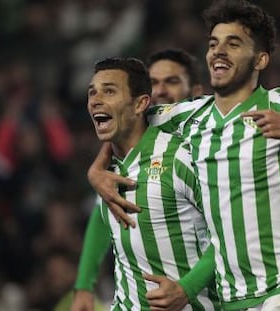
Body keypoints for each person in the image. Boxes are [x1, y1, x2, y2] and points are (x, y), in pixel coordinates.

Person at [87, 1, 280, 310]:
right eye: (214, 44)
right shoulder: (189, 115)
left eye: (233, 44)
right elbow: (127, 119)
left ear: (260, 60)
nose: (218, 51)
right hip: (233, 298)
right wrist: (97, 171)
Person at [70, 57, 219, 311]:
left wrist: (187, 288)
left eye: (109, 91)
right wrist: (84, 286)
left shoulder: (181, 158)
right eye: (92, 92)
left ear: (140, 104)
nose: (95, 100)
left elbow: (231, 236)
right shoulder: (109, 171)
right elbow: (99, 220)